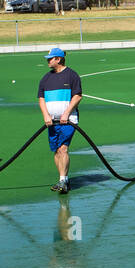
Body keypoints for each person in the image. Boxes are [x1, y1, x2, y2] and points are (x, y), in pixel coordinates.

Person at [38, 47, 83, 194]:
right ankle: (63, 179)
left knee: (63, 148)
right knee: (57, 151)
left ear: (58, 59)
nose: (48, 61)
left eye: (50, 58)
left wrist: (66, 114)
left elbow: (77, 96)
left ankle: (63, 180)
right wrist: (46, 115)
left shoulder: (72, 75)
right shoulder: (45, 78)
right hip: (51, 122)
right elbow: (41, 98)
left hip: (68, 120)